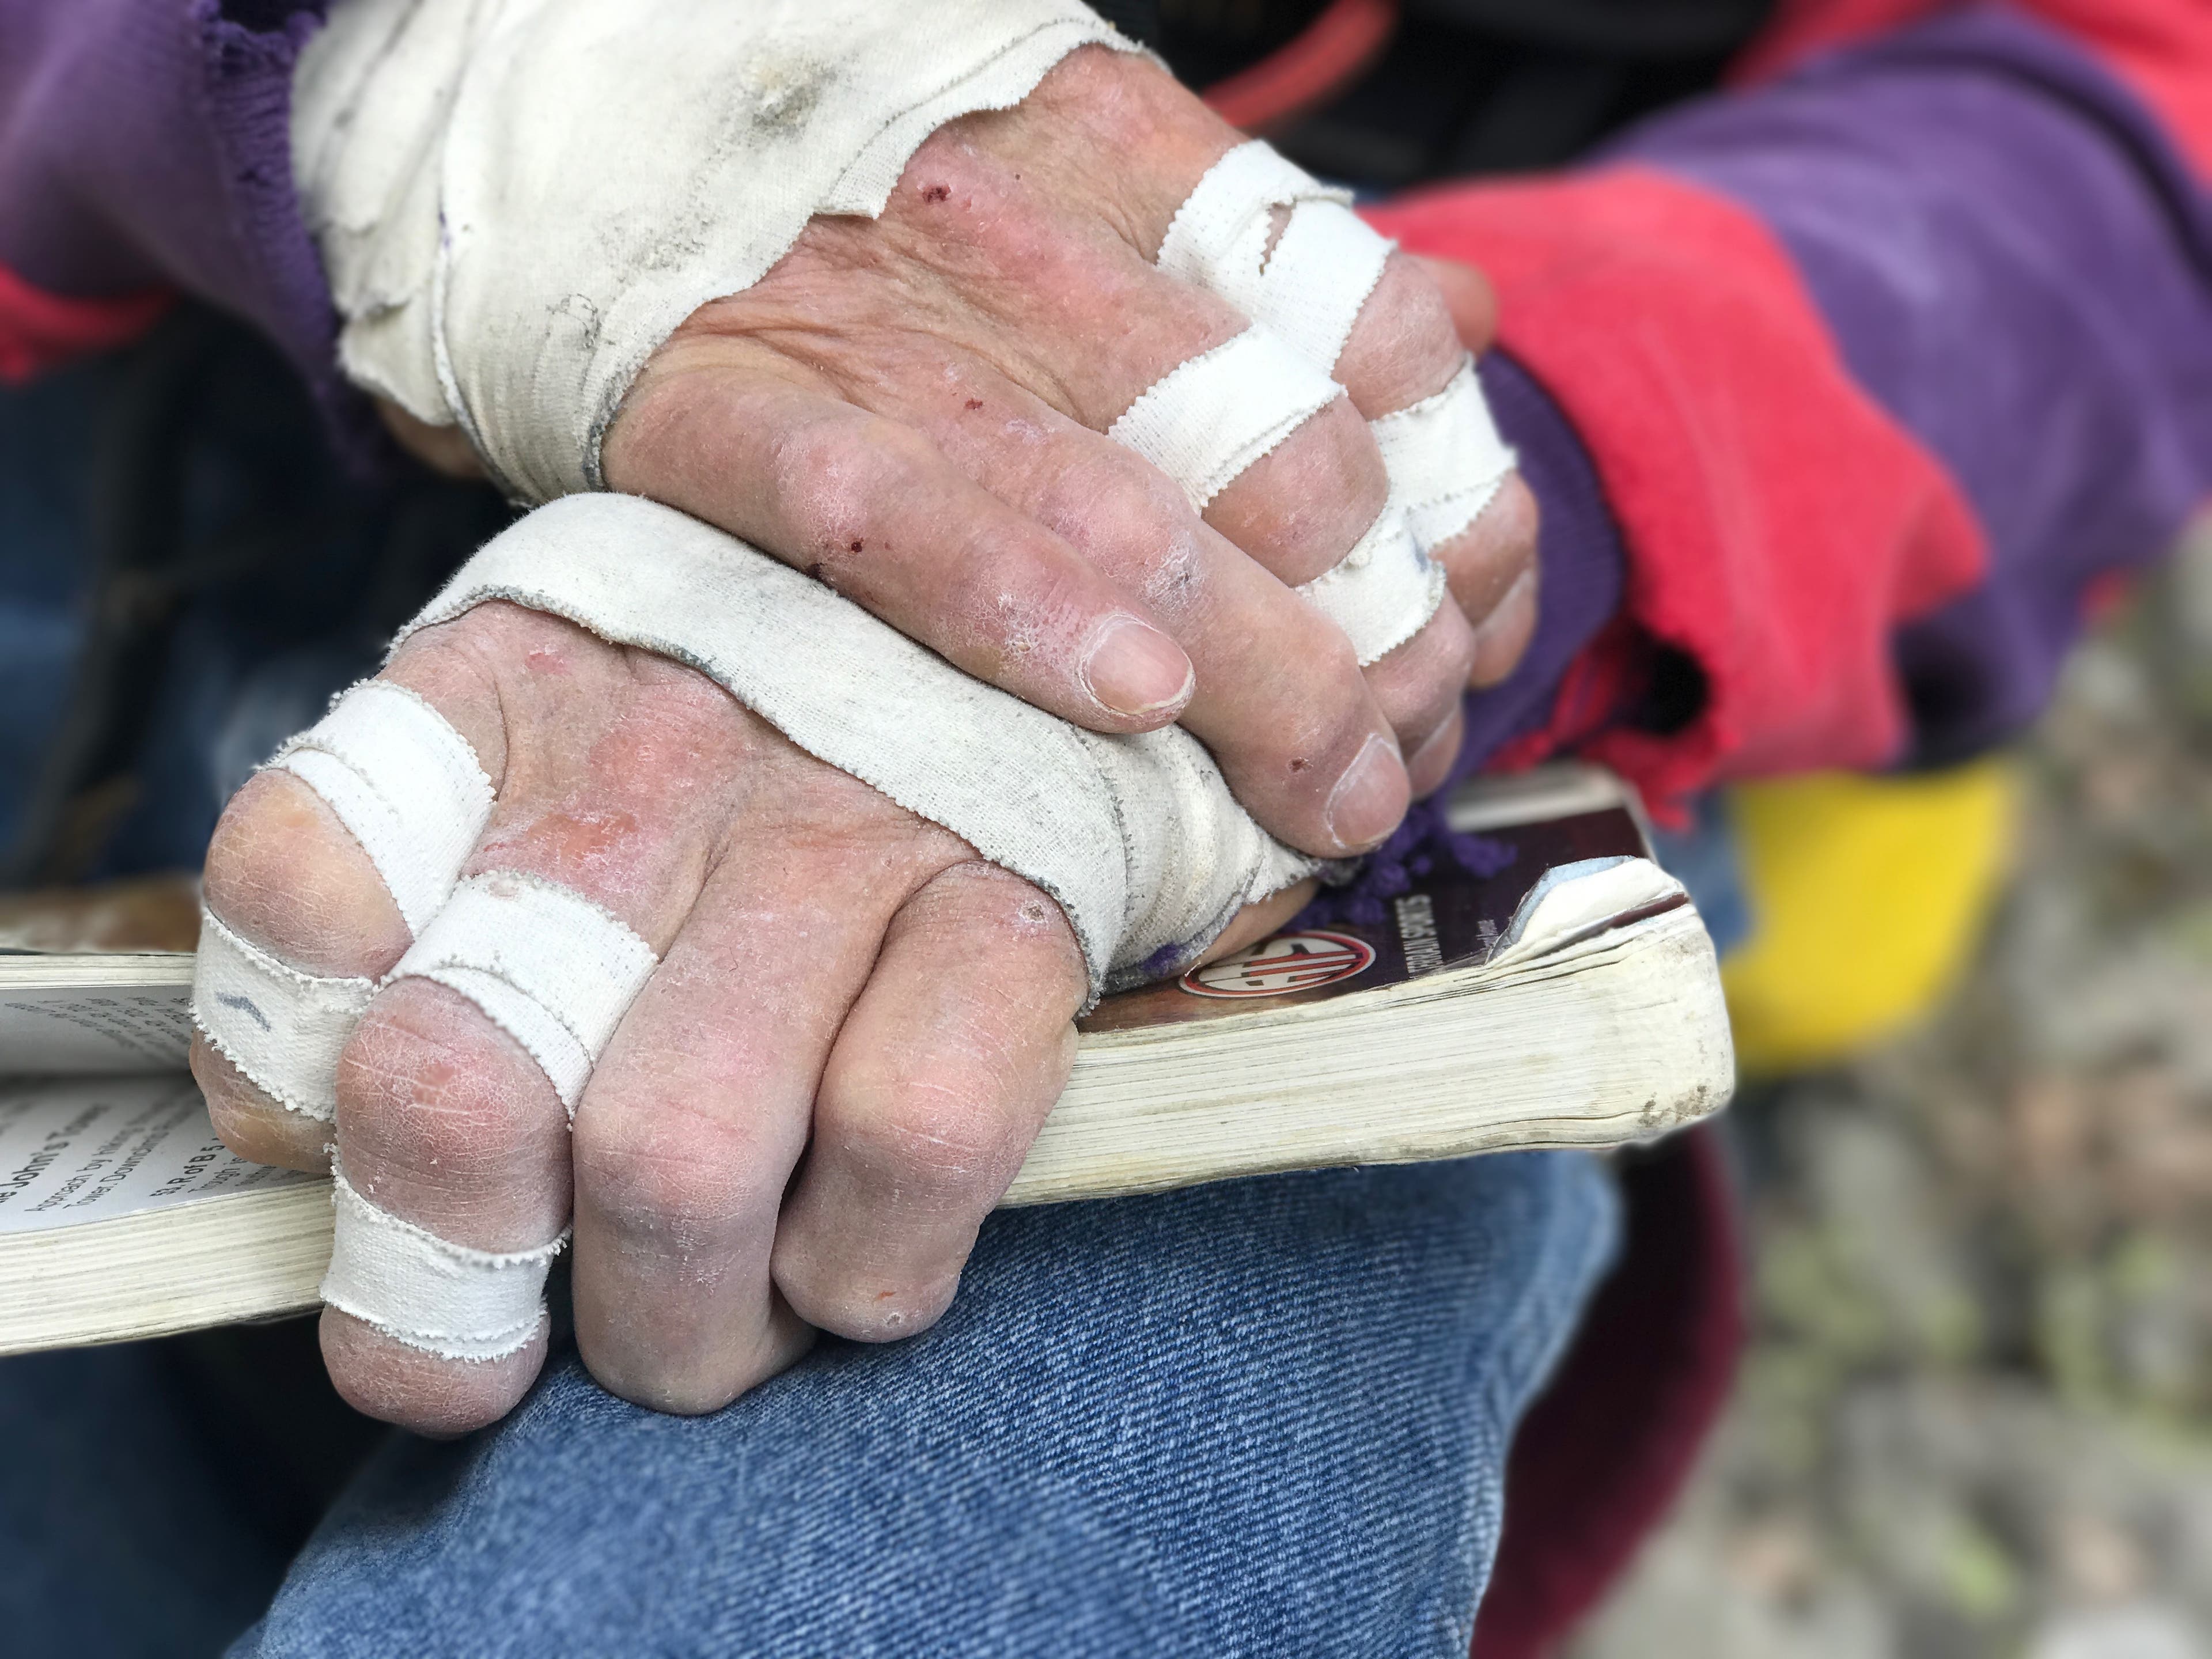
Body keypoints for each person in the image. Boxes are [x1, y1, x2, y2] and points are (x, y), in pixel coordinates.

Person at [1, 2, 2207, 1654]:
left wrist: (1361, 508)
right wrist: (383, 72)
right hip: (188, 343)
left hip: (1451, 549)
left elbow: (2120, 136)